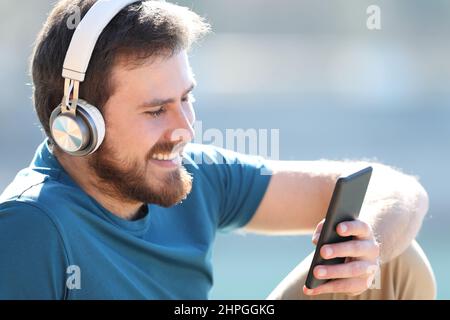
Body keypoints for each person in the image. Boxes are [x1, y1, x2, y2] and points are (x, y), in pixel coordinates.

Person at [0, 0, 435, 300]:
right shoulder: (31, 226)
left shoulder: (193, 174)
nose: (185, 129)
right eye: (156, 111)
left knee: (392, 261)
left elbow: (392, 187)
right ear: (76, 124)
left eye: (186, 98)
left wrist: (368, 243)